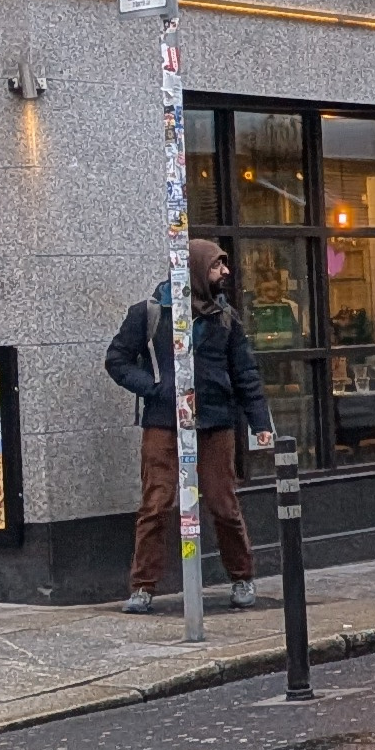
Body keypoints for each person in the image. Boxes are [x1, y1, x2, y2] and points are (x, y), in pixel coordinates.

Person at [105, 238, 272, 616]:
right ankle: (142, 586)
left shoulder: (225, 317)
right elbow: (117, 360)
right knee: (156, 503)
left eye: (223, 264)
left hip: (215, 421)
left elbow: (245, 373)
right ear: (195, 269)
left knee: (223, 503)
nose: (225, 272)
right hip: (163, 421)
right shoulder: (149, 313)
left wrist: (260, 422)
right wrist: (154, 388)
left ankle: (242, 577)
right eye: (216, 265)